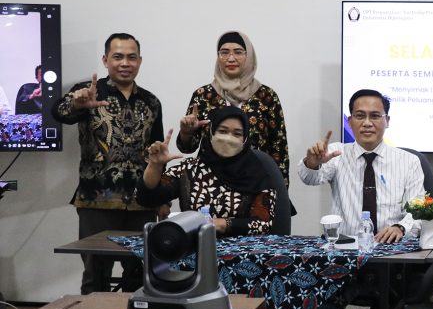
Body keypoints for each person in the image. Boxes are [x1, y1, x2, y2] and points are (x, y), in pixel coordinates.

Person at [298, 88, 424, 309]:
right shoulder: (336, 154)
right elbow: (308, 177)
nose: (367, 122)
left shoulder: (408, 161)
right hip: (345, 256)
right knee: (307, 294)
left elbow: (419, 211)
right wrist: (312, 161)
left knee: (389, 297)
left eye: (375, 116)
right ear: (350, 121)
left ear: (387, 121)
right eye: (360, 116)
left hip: (391, 256)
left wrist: (401, 227)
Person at [52, 33, 165, 294]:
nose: (125, 63)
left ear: (139, 61)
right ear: (105, 60)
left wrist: (162, 199)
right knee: (95, 276)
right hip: (96, 200)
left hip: (141, 202)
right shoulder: (88, 92)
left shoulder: (151, 102)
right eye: (118, 57)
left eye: (131, 57)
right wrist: (77, 104)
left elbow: (157, 154)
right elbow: (59, 112)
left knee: (139, 277)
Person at [136, 106, 276, 235]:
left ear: (245, 139)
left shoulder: (257, 174)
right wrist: (155, 165)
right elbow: (146, 198)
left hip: (242, 249)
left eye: (237, 134)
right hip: (194, 247)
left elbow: (264, 224)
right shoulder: (189, 169)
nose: (228, 138)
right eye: (222, 131)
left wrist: (222, 224)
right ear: (211, 133)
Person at [176, 32, 289, 186]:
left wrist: (280, 190)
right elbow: (187, 148)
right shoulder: (203, 95)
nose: (230, 58)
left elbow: (279, 149)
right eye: (224, 52)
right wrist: (186, 133)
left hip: (254, 182)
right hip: (209, 184)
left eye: (238, 52)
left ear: (248, 56)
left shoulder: (267, 97)